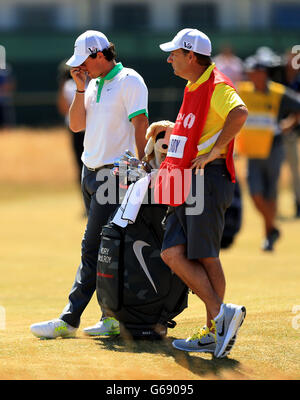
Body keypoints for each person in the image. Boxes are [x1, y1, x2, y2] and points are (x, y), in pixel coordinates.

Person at [30, 30, 149, 339]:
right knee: (107, 248)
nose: (79, 67)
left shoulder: (130, 81)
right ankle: (110, 316)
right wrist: (81, 89)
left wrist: (144, 167)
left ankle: (69, 318)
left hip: (115, 174)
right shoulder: (91, 84)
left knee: (92, 246)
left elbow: (141, 124)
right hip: (90, 172)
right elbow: (76, 125)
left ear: (98, 54)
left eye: (83, 61)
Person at [154, 28, 248, 358]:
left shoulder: (217, 83)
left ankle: (214, 327)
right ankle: (222, 317)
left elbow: (239, 113)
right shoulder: (193, 85)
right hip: (186, 180)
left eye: (174, 54)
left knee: (205, 255)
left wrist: (216, 150)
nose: (169, 58)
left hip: (208, 178)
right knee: (172, 253)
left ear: (191, 56)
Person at [236, 55, 300, 251]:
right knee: (255, 193)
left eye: (254, 72)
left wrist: (288, 124)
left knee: (271, 194)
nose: (251, 76)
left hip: (274, 149)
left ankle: (268, 237)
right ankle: (273, 228)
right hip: (253, 152)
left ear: (263, 74)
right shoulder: (243, 91)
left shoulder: (277, 93)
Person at [57, 61, 86, 189]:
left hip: (92, 130)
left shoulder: (94, 83)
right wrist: (62, 84)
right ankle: (86, 203)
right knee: (80, 166)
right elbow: (63, 108)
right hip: (76, 132)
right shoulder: (69, 85)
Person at [280, 50, 300, 218]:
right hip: (277, 132)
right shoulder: (280, 76)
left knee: (295, 170)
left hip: (292, 131)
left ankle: (298, 204)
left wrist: (291, 123)